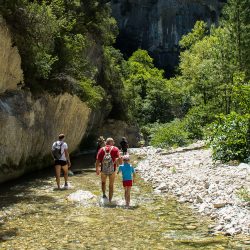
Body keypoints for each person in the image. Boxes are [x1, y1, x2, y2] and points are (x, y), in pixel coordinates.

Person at [95, 137, 121, 202]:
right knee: (111, 185)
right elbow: (120, 159)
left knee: (103, 183)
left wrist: (97, 169)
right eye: (113, 142)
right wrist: (119, 165)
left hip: (103, 170)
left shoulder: (101, 149)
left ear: (106, 142)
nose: (114, 143)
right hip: (112, 170)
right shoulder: (115, 149)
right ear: (111, 142)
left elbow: (97, 161)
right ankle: (110, 200)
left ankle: (104, 195)